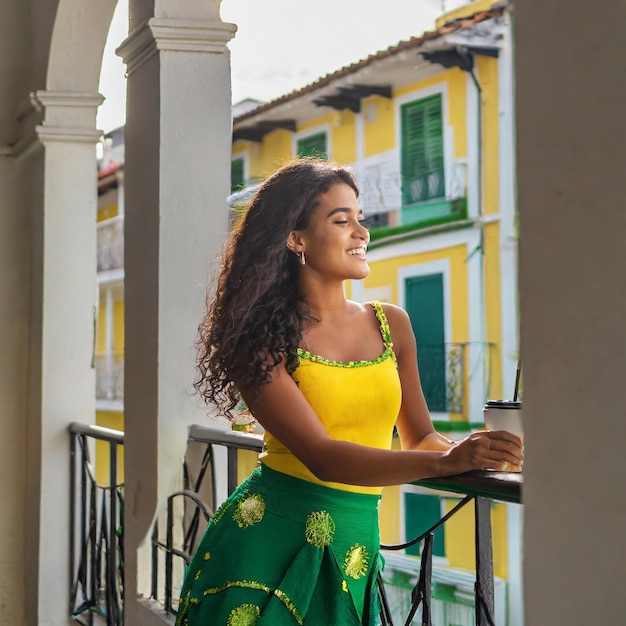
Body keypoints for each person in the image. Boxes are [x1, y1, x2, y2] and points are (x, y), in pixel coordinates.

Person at [175, 158, 523, 626]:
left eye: (362, 218)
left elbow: (420, 437)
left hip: (355, 549)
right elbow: (323, 455)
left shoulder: (391, 323)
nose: (362, 232)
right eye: (342, 220)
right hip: (267, 551)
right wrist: (445, 463)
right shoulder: (258, 339)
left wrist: (475, 449)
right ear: (296, 239)